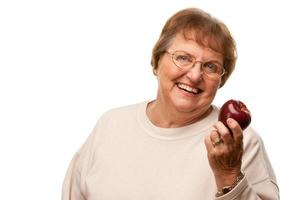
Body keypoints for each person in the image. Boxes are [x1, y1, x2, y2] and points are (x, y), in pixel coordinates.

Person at [62, 8, 279, 199]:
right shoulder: (111, 124)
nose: (194, 76)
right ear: (157, 61)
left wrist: (229, 176)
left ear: (221, 80)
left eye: (210, 66)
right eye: (183, 57)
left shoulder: (240, 143)